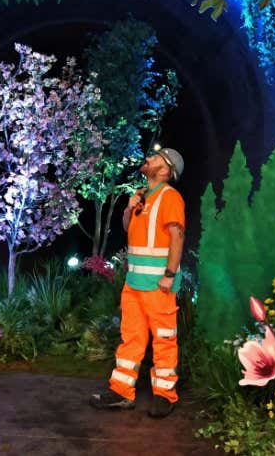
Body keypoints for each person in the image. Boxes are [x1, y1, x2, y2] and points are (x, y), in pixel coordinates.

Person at [89, 145, 186, 418]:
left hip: (158, 286)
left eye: (156, 157)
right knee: (130, 338)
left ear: (166, 170)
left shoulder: (171, 197)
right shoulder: (141, 197)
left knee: (164, 340)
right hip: (133, 284)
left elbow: (177, 237)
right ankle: (121, 392)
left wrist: (169, 276)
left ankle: (165, 395)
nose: (149, 158)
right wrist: (129, 209)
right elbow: (127, 229)